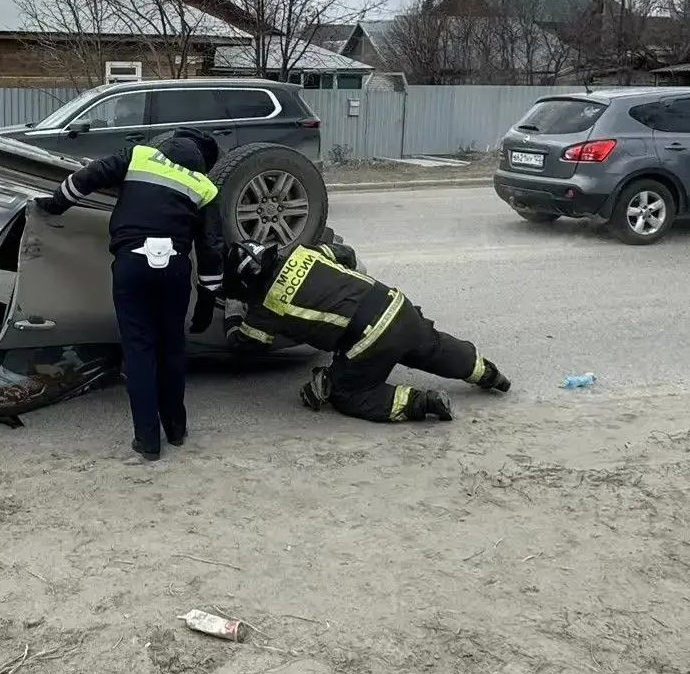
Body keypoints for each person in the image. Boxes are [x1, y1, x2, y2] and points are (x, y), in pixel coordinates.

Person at [38, 129, 225, 461]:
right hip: (174, 269)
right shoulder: (205, 187)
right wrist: (208, 301)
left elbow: (88, 176)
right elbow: (211, 248)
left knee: (139, 351)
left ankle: (148, 440)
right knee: (171, 349)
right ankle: (176, 429)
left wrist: (55, 204)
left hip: (132, 265)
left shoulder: (139, 156)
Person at [218, 238, 510, 422]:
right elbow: (345, 252)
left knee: (348, 393)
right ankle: (488, 374)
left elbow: (243, 346)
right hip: (396, 304)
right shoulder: (302, 252)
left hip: (370, 339)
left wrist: (233, 313)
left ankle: (422, 403)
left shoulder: (266, 309)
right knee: (432, 347)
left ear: (244, 285)